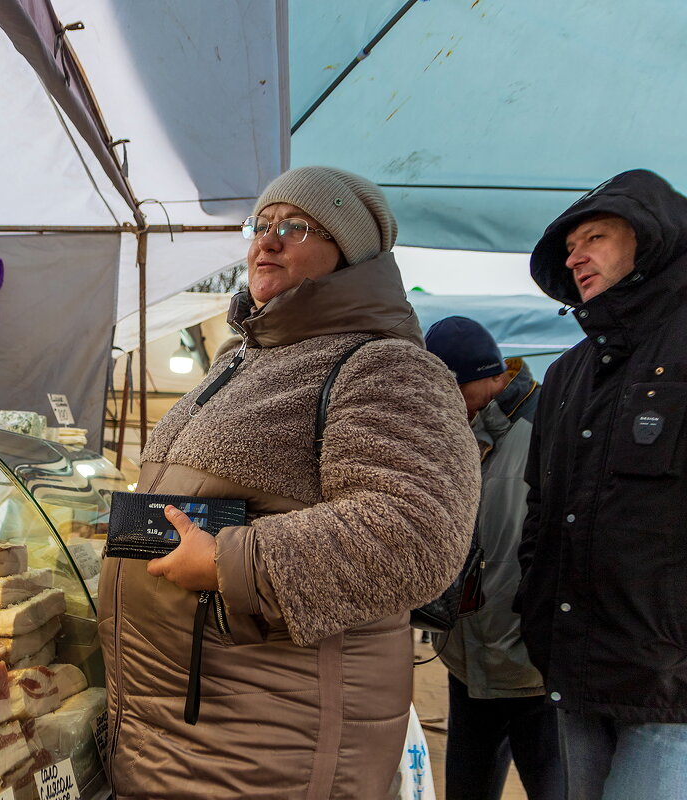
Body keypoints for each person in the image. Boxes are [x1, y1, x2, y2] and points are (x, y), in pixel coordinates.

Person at [98, 166, 480, 799]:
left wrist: (226, 561)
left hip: (269, 751)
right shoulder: (242, 360)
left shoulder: (384, 364)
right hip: (175, 733)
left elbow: (418, 533)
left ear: (350, 255)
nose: (267, 241)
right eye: (261, 224)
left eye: (296, 227)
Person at [519, 168, 687, 797]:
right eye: (569, 248)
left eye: (595, 237)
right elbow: (542, 506)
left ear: (651, 238)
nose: (576, 256)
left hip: (671, 681)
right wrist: (535, 609)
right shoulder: (566, 374)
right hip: (576, 664)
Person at [424, 316, 564, 800]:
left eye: (452, 390)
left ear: (490, 375)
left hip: (534, 673)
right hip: (469, 665)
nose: (444, 405)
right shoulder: (452, 434)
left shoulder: (551, 422)